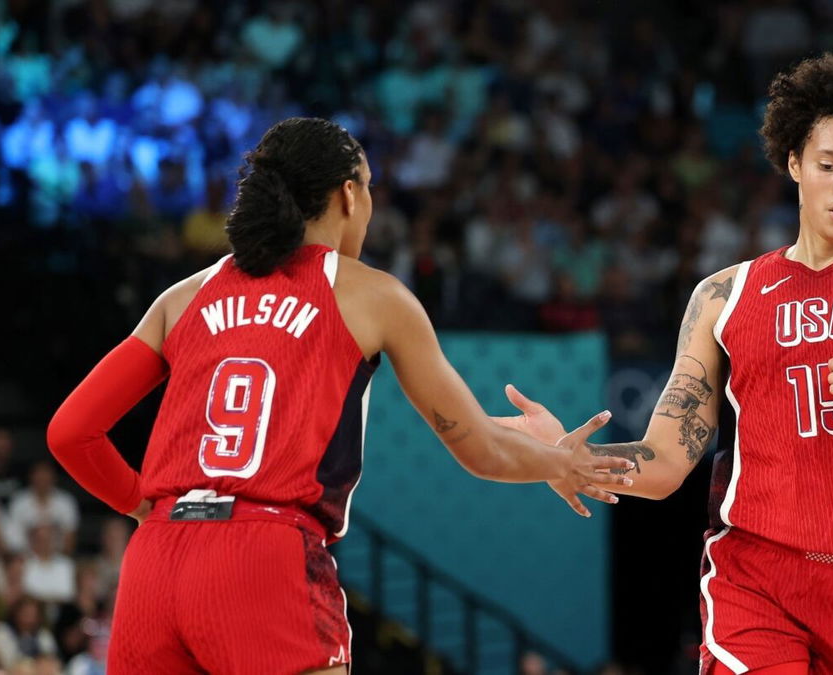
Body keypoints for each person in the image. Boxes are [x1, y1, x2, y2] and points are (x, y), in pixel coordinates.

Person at [495, 55, 833, 674]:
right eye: (828, 166)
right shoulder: (724, 296)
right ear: (795, 164)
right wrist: (564, 456)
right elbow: (667, 461)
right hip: (756, 574)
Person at [45, 117, 632, 675]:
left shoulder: (184, 296)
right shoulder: (373, 295)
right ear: (348, 195)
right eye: (370, 189)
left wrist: (144, 506)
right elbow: (477, 450)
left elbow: (70, 433)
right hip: (264, 556)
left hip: (155, 564)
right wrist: (561, 462)